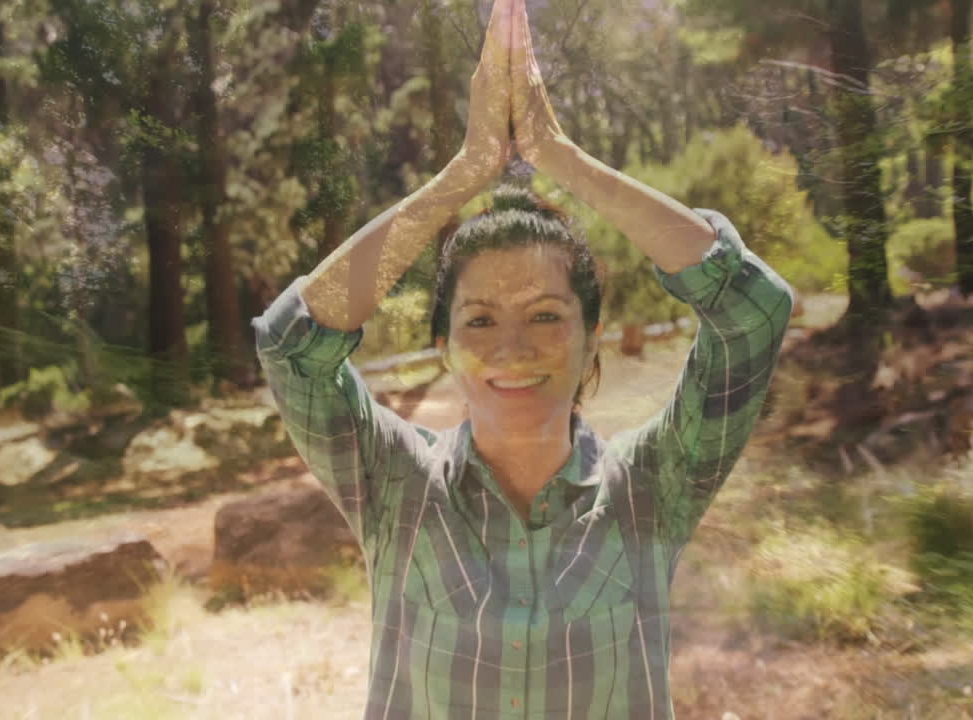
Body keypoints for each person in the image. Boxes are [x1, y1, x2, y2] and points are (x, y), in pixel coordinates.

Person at [252, 0, 794, 716]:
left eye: (545, 315)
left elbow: (753, 312)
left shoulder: (650, 488)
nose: (512, 348)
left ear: (591, 337)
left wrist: (558, 154)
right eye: (480, 320)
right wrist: (466, 170)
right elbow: (292, 346)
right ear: (444, 348)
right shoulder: (395, 486)